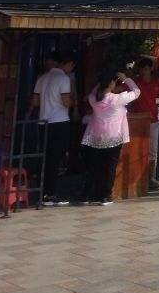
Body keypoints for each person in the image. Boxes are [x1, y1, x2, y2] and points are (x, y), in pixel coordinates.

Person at [80, 70, 141, 205]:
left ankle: (87, 195)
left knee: (94, 166)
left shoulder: (94, 99)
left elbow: (93, 93)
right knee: (109, 167)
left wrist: (100, 83)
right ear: (111, 83)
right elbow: (137, 92)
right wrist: (126, 79)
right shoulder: (116, 99)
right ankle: (105, 196)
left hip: (96, 137)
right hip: (113, 138)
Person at [30, 51, 76, 206]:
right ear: (65, 64)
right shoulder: (63, 79)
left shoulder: (42, 78)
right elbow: (66, 102)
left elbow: (35, 102)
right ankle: (49, 194)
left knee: (44, 157)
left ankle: (41, 191)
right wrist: (74, 103)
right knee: (55, 159)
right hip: (59, 121)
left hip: (43, 122)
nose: (71, 68)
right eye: (71, 65)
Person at [129, 56, 159, 190]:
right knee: (137, 149)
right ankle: (137, 178)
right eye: (142, 69)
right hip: (138, 120)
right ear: (139, 70)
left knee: (152, 151)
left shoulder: (157, 81)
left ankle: (150, 178)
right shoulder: (135, 82)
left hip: (152, 121)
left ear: (151, 69)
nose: (145, 71)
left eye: (147, 69)